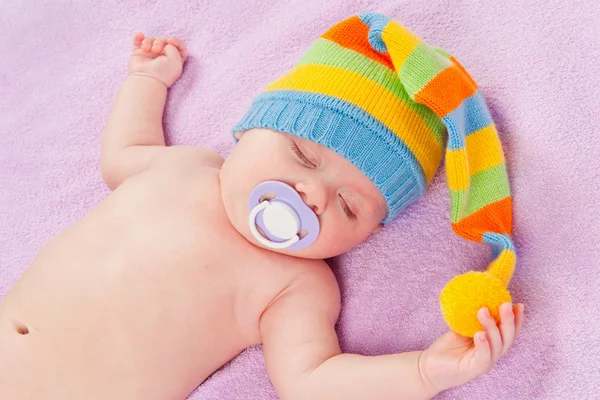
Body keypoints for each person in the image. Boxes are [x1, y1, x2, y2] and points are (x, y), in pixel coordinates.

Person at [0, 12, 524, 400]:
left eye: (348, 207)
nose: (312, 196)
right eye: (301, 154)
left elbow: (310, 380)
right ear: (249, 129)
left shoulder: (297, 285)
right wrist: (145, 80)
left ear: (371, 233)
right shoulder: (185, 167)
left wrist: (425, 372)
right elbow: (121, 156)